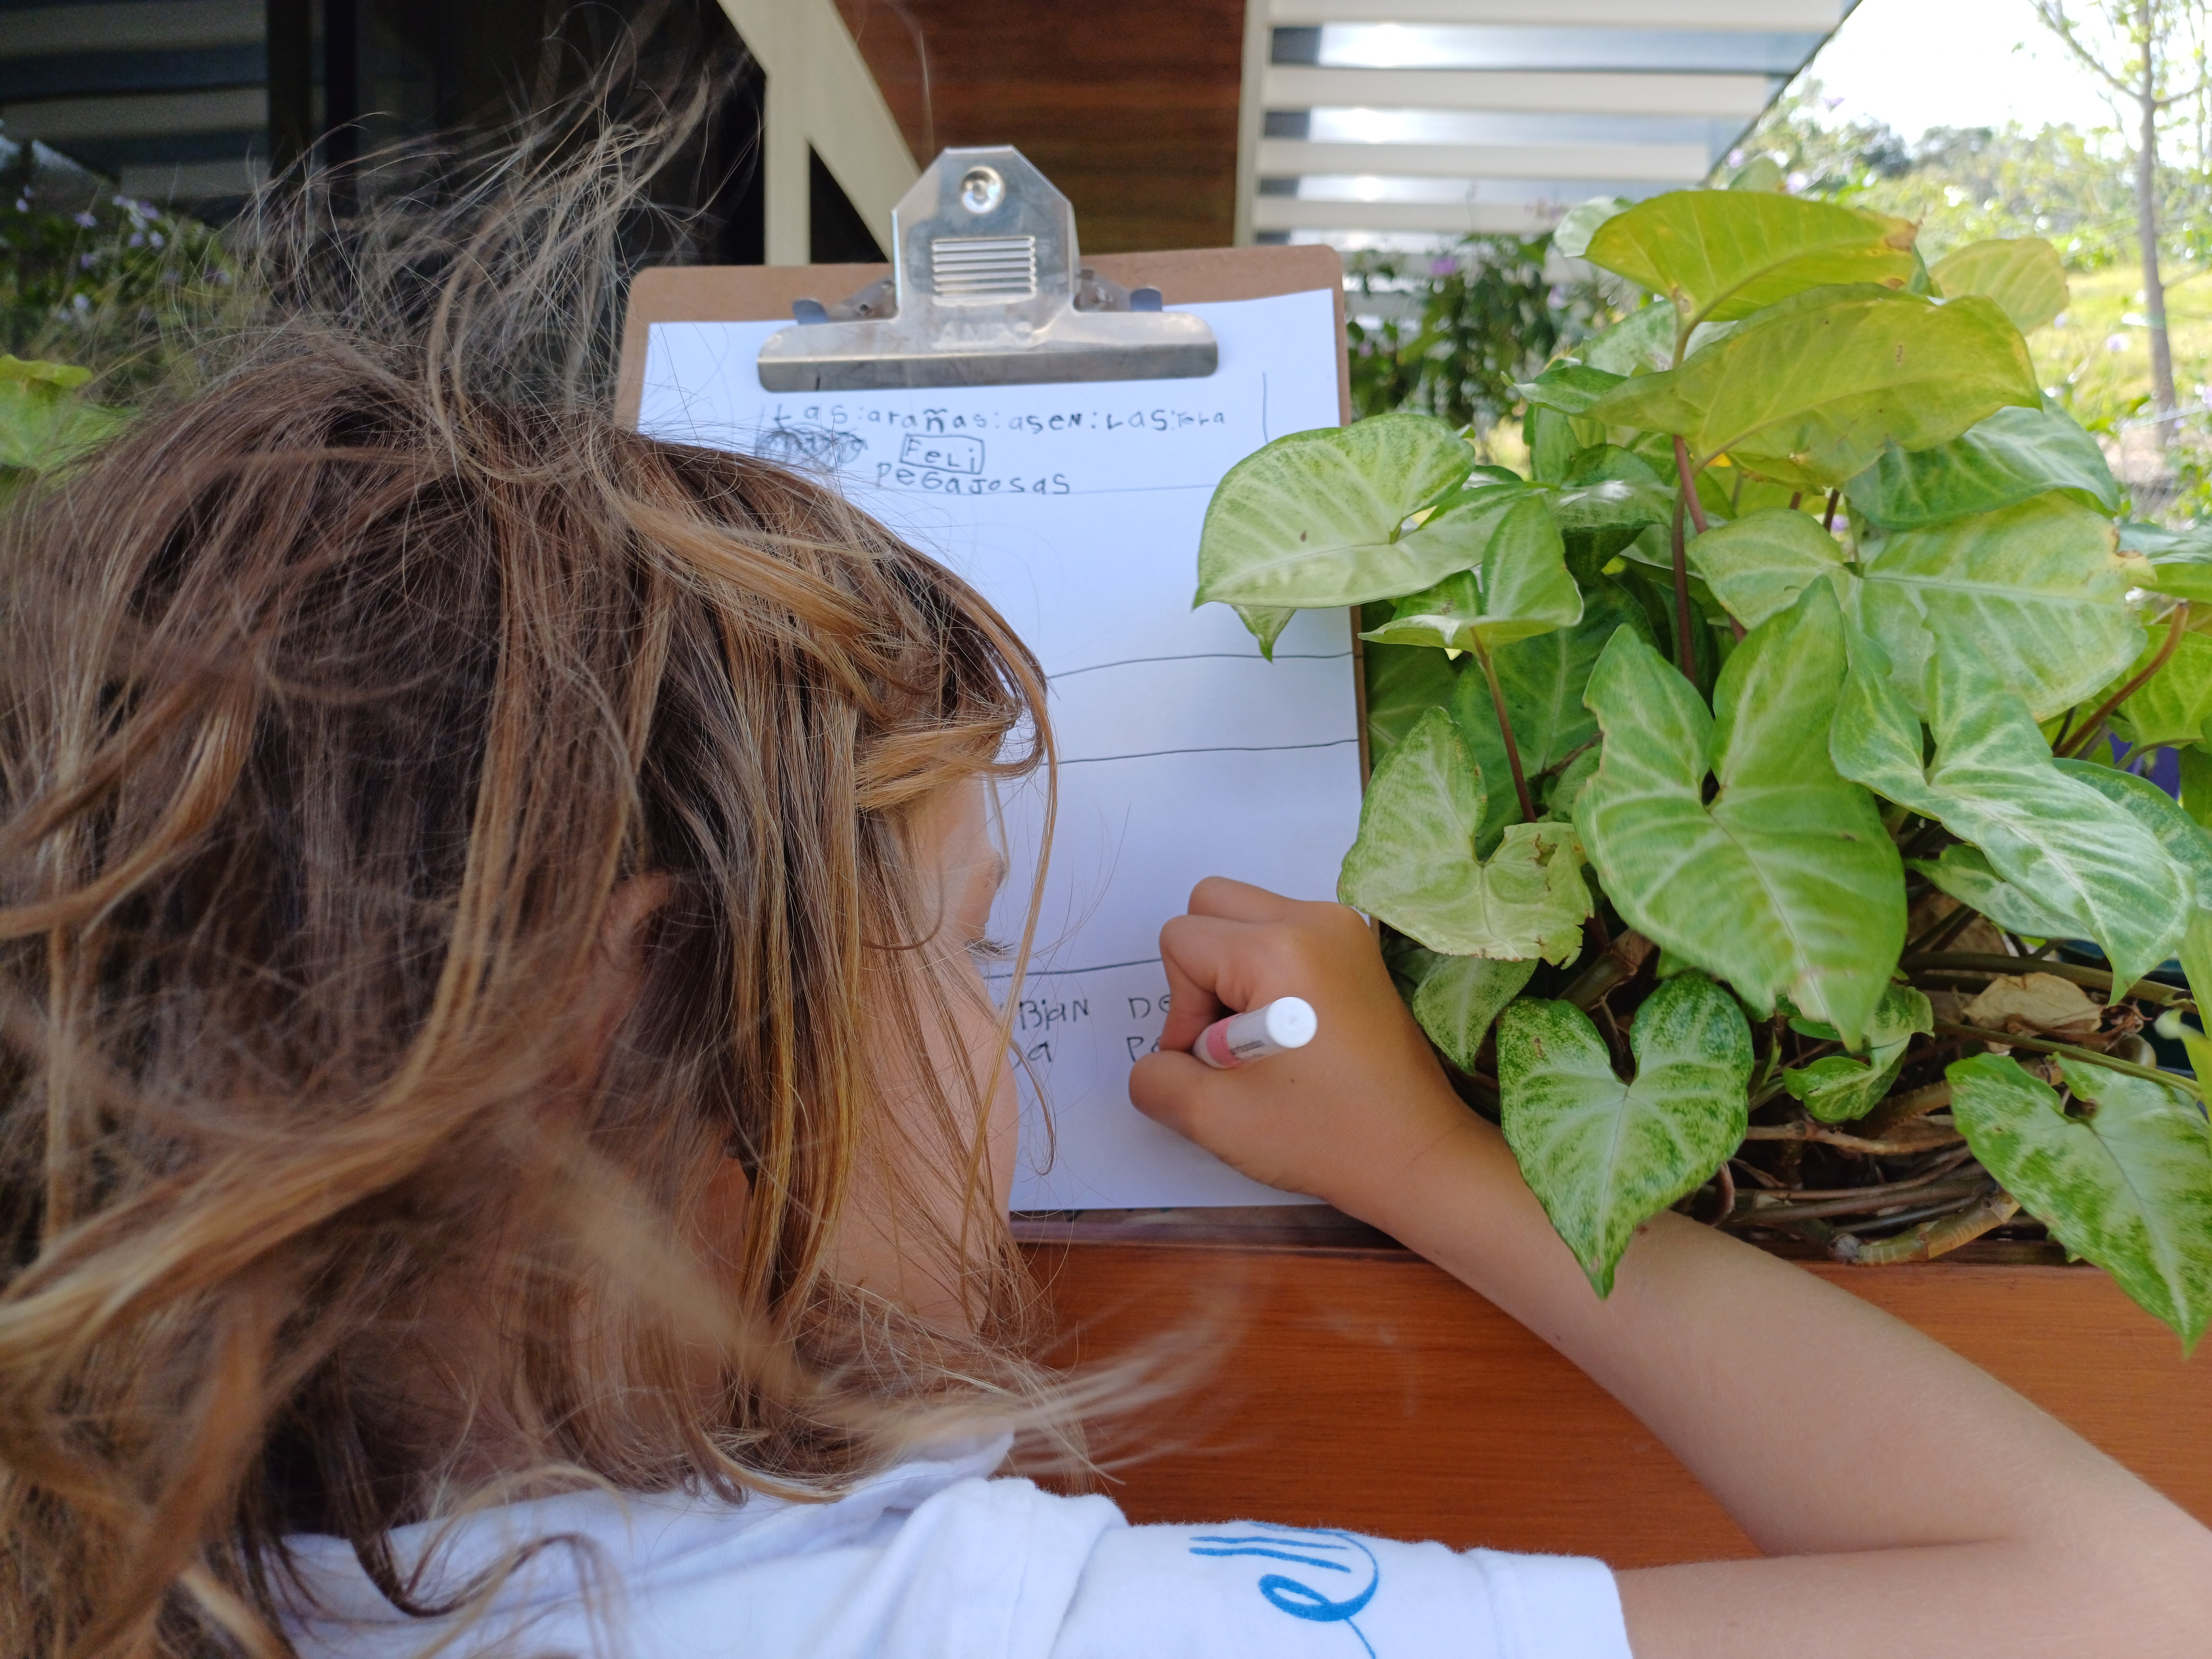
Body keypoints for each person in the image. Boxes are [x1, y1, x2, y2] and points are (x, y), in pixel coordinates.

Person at [0, 127, 2206, 1659]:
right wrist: (1456, 1174)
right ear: (615, 1017)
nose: (1014, 1022)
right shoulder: (951, 1625)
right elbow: (2128, 1607)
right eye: (958, 947)